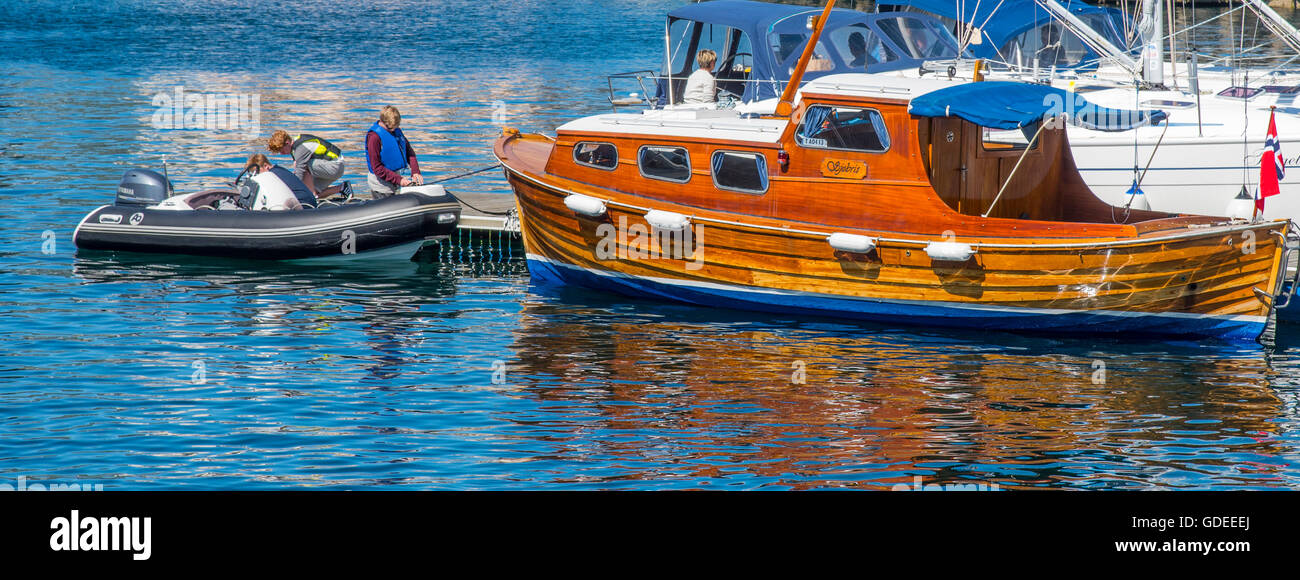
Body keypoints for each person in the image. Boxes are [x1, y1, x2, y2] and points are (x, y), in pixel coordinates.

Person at [266, 130, 349, 198]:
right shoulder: (294, 146)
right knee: (312, 194)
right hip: (328, 166)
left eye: (281, 150)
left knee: (302, 166)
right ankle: (343, 187)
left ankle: (310, 196)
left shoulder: (301, 149)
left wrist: (289, 191)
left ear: (287, 143)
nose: (281, 153)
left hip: (336, 166)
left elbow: (299, 174)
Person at [364, 105, 423, 198]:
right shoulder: (374, 137)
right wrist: (400, 180)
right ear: (383, 122)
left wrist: (415, 171)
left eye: (396, 127)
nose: (393, 130)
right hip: (380, 184)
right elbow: (377, 168)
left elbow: (409, 151)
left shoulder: (396, 131)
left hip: (395, 178)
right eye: (391, 128)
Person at [242, 153, 316, 210]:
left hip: (303, 205)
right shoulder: (278, 170)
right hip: (308, 202)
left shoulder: (272, 176)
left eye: (257, 171)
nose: (256, 175)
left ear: (265, 166)